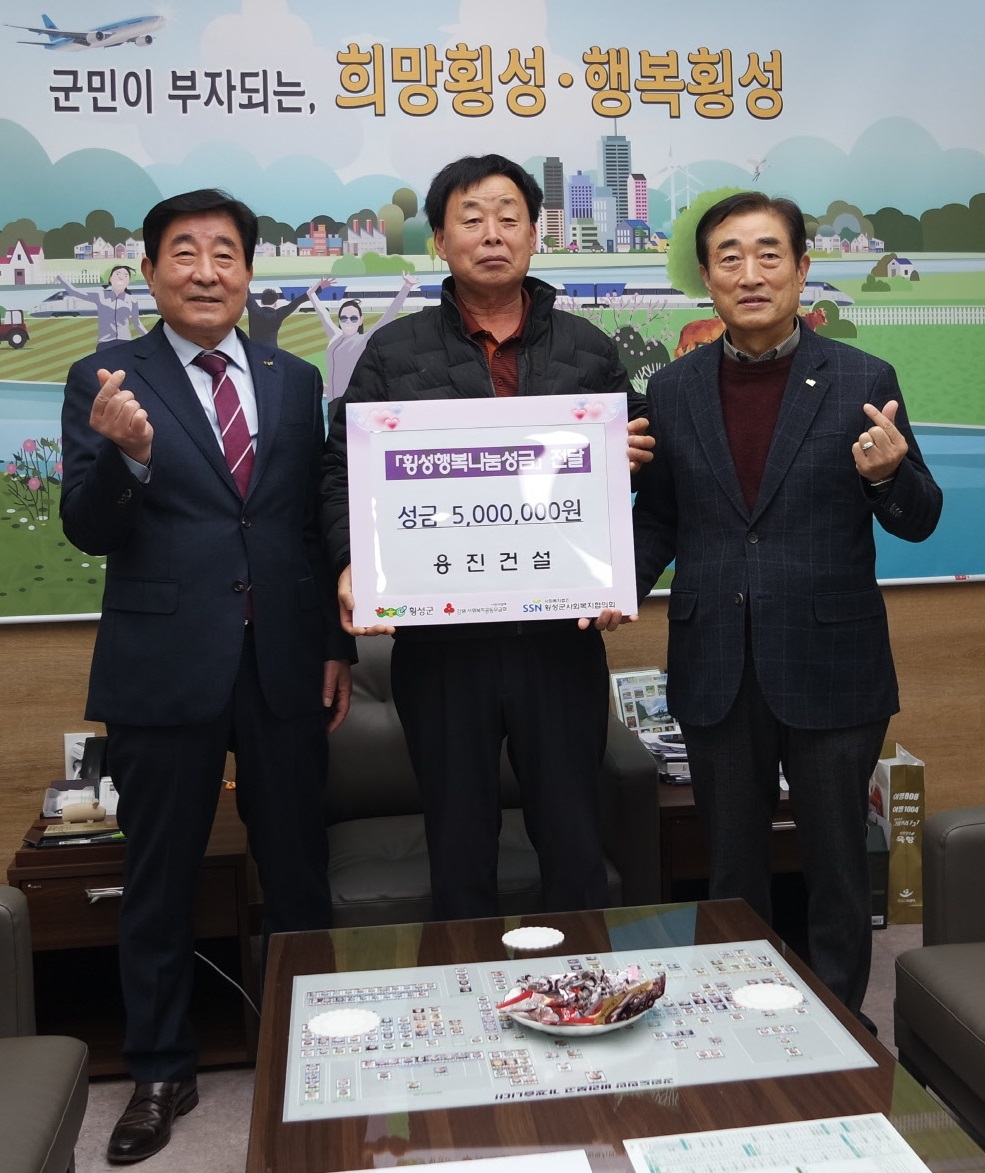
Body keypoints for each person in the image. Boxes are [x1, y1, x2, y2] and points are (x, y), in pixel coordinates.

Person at [60, 188, 355, 1164]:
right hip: (162, 667)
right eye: (182, 252)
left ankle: (316, 1052)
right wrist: (129, 459)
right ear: (150, 273)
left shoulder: (293, 378)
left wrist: (335, 646)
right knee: (159, 880)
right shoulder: (106, 377)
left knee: (298, 873)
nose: (205, 270)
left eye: (224, 252)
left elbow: (308, 526)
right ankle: (159, 1071)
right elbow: (86, 527)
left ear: (248, 272)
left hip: (283, 662)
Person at [632, 191, 942, 1017]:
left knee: (837, 867)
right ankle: (742, 1023)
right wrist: (607, 584)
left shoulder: (862, 379)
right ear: (706, 278)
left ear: (802, 270)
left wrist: (887, 476)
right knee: (731, 869)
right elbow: (658, 519)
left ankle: (840, 1024)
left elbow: (918, 518)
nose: (750, 273)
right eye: (728, 257)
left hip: (830, 663)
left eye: (769, 254)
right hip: (715, 665)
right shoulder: (672, 388)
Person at [322, 154, 652, 922]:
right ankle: (467, 985)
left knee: (573, 838)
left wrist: (632, 456)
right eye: (471, 219)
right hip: (443, 651)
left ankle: (584, 986)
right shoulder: (392, 352)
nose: (492, 234)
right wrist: (348, 561)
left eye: (509, 218)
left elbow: (633, 460)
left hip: (559, 642)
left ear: (535, 235)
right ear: (440, 241)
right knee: (458, 844)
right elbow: (340, 471)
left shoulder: (587, 349)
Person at [307, 271, 417, 400]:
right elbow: (322, 314)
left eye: (353, 318)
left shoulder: (363, 340)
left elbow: (388, 315)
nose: (348, 321)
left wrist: (407, 287)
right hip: (333, 402)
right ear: (339, 320)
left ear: (360, 320)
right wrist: (312, 292)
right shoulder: (335, 336)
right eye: (343, 318)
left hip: (353, 400)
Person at [58, 264, 149, 349]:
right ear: (110, 279)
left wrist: (151, 339)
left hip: (125, 342)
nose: (121, 277)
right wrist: (60, 278)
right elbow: (74, 292)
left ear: (128, 281)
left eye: (126, 275)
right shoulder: (100, 296)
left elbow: (137, 324)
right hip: (105, 342)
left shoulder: (132, 300)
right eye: (117, 274)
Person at [244, 284, 310, 347]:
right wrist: (311, 292)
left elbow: (247, 294)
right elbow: (296, 302)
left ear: (261, 301)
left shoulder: (255, 311)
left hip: (255, 350)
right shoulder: (277, 315)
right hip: (272, 351)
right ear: (275, 303)